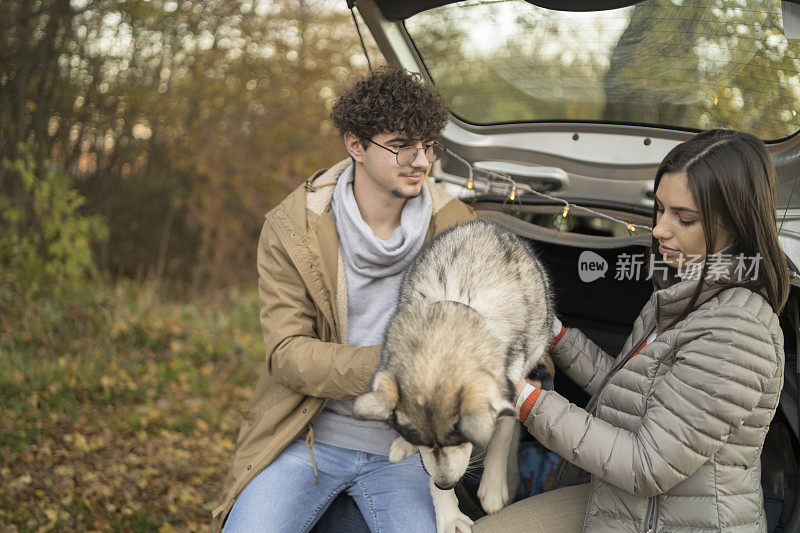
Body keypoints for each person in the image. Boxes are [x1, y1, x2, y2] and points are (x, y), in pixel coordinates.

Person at [475, 129, 790, 532]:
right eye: (659, 209)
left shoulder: (737, 334)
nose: (659, 229)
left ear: (733, 222)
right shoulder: (683, 291)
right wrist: (553, 333)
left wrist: (523, 397)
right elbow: (625, 392)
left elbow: (646, 465)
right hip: (630, 502)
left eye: (684, 217)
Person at [211, 66, 476, 532]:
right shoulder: (293, 229)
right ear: (355, 145)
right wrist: (388, 365)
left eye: (427, 145)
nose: (419, 161)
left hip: (406, 452)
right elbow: (287, 355)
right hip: (306, 438)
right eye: (400, 146)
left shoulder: (457, 228)